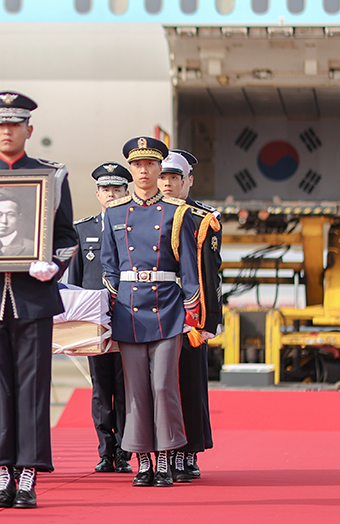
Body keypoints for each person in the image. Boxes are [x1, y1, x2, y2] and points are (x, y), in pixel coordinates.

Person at [0, 91, 77, 509]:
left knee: (32, 388)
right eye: (0, 125)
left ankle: (28, 476)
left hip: (32, 296)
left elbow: (65, 236)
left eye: (15, 124)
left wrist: (52, 266)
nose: (7, 130)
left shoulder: (51, 175)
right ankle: (1, 471)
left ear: (29, 130)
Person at [100, 136, 203, 488]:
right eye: (138, 165)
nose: (144, 171)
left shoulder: (179, 214)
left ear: (160, 169)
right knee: (135, 389)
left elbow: (190, 269)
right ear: (131, 170)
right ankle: (143, 459)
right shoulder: (113, 213)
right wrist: (110, 308)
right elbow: (109, 268)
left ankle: (167, 458)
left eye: (150, 165)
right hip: (129, 308)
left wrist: (194, 316)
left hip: (168, 307)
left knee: (163, 386)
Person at [68, 162, 133, 474]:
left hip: (129, 316)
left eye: (117, 189)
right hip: (95, 322)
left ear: (126, 192)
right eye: (106, 189)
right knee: (100, 387)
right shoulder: (83, 230)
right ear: (97, 194)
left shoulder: (134, 225)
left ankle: (125, 451)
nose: (111, 194)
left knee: (126, 387)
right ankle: (105, 451)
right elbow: (76, 283)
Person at [166, 149, 222, 482]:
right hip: (152, 308)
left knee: (189, 381)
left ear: (189, 181)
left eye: (175, 177)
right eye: (164, 177)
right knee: (159, 385)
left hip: (190, 314)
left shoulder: (202, 218)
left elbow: (211, 272)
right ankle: (161, 451)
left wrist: (210, 319)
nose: (169, 183)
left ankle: (188, 451)